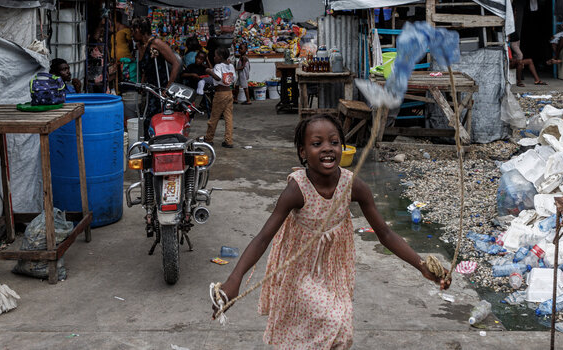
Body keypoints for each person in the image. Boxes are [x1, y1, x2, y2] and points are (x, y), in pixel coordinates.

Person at [213, 114, 447, 348]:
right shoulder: (297, 190)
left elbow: (385, 233)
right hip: (300, 269)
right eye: (317, 144)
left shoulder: (352, 185)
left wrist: (421, 265)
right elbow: (263, 237)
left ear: (342, 148)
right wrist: (234, 279)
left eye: (334, 142)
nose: (327, 149)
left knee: (335, 332)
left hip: (335, 270)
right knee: (333, 321)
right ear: (303, 152)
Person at [132, 17, 182, 116]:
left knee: (158, 117)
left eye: (133, 31)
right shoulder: (141, 46)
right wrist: (141, 84)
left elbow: (176, 63)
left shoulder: (157, 43)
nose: (132, 34)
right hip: (150, 88)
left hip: (161, 88)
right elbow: (145, 69)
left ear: (139, 30)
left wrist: (168, 89)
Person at [204, 48, 236, 148]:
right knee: (228, 117)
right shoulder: (230, 66)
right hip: (229, 92)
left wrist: (209, 71)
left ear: (220, 57)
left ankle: (209, 138)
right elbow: (234, 78)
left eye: (216, 55)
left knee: (214, 117)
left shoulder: (218, 66)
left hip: (220, 93)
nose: (214, 57)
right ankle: (228, 140)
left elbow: (217, 77)